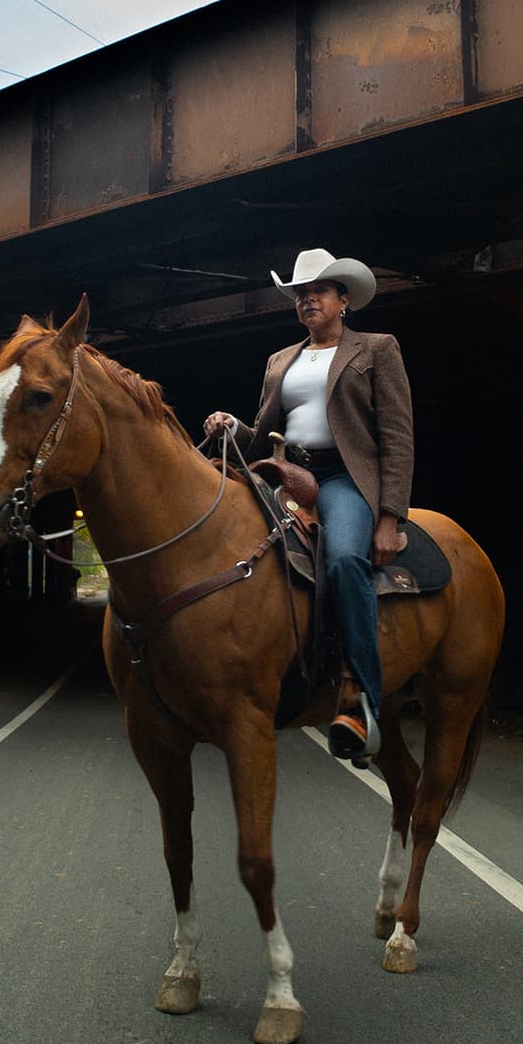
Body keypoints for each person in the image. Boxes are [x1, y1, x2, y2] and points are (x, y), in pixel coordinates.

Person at [203, 248, 414, 763]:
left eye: (318, 290)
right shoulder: (281, 360)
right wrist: (233, 426)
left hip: (342, 476)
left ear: (344, 300)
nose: (308, 300)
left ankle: (363, 698)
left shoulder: (376, 349)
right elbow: (258, 439)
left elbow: (397, 436)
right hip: (281, 470)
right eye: (300, 293)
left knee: (343, 557)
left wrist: (390, 516)